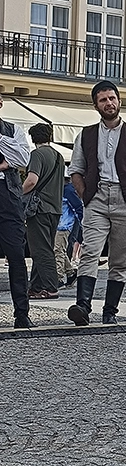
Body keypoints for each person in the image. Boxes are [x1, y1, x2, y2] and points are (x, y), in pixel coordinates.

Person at [68, 80, 126, 325]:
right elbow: (75, 169)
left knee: (120, 260)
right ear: (95, 105)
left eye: (112, 98)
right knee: (89, 253)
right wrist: (84, 194)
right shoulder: (86, 134)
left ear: (119, 101)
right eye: (103, 100)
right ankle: (83, 307)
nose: (109, 103)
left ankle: (110, 312)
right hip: (96, 198)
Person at [0, 94, 33, 327]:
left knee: (16, 256)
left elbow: (22, 157)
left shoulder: (13, 130)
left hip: (8, 197)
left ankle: (22, 313)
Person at [23, 123, 65, 301]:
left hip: (38, 208)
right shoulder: (59, 156)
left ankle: (50, 287)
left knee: (40, 250)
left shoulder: (37, 154)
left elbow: (32, 181)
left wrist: (17, 193)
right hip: (55, 208)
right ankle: (36, 287)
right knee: (44, 247)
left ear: (33, 138)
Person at [54, 168, 83, 290]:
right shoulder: (65, 189)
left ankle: (59, 279)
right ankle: (71, 273)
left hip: (64, 225)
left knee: (57, 250)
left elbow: (78, 208)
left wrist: (83, 224)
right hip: (60, 224)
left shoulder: (67, 191)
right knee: (59, 249)